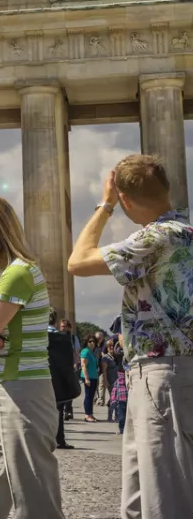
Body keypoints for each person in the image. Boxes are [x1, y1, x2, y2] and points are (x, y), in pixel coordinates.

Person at [68, 154, 193, 518]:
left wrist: (104, 205)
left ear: (125, 198)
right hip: (168, 369)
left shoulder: (155, 237)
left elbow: (77, 262)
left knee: (162, 494)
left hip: (161, 370)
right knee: (143, 488)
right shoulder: (185, 232)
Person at [0, 194, 65, 519]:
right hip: (5, 387)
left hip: (21, 390)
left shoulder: (16, 275)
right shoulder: (9, 276)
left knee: (34, 499)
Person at [48, 307, 77, 450]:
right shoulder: (63, 338)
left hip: (39, 376)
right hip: (58, 378)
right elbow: (68, 361)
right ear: (55, 321)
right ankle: (59, 439)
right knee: (58, 410)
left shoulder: (37, 336)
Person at [80, 336, 99, 422]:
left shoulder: (92, 352)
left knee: (91, 397)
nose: (92, 343)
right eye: (90, 341)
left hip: (93, 376)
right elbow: (83, 365)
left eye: (94, 341)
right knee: (88, 396)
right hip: (88, 376)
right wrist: (87, 378)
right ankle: (87, 415)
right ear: (87, 342)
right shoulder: (86, 351)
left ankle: (90, 414)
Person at [101, 338, 120, 421]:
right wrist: (105, 380)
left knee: (117, 398)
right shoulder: (105, 357)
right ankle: (110, 416)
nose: (111, 347)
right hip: (110, 381)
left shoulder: (116, 356)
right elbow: (104, 370)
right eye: (109, 346)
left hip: (118, 381)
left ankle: (116, 416)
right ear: (107, 347)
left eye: (113, 345)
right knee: (114, 399)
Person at [110, 366, 128, 435]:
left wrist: (113, 401)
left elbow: (114, 391)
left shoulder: (119, 381)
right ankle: (123, 429)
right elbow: (114, 391)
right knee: (123, 416)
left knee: (122, 416)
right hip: (124, 400)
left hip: (123, 401)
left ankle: (123, 429)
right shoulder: (121, 381)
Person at [93, 331, 106, 406]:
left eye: (100, 338)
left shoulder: (104, 345)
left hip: (102, 368)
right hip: (93, 368)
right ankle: (94, 398)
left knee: (101, 384)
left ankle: (101, 400)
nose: (98, 339)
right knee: (94, 385)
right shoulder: (92, 345)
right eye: (97, 338)